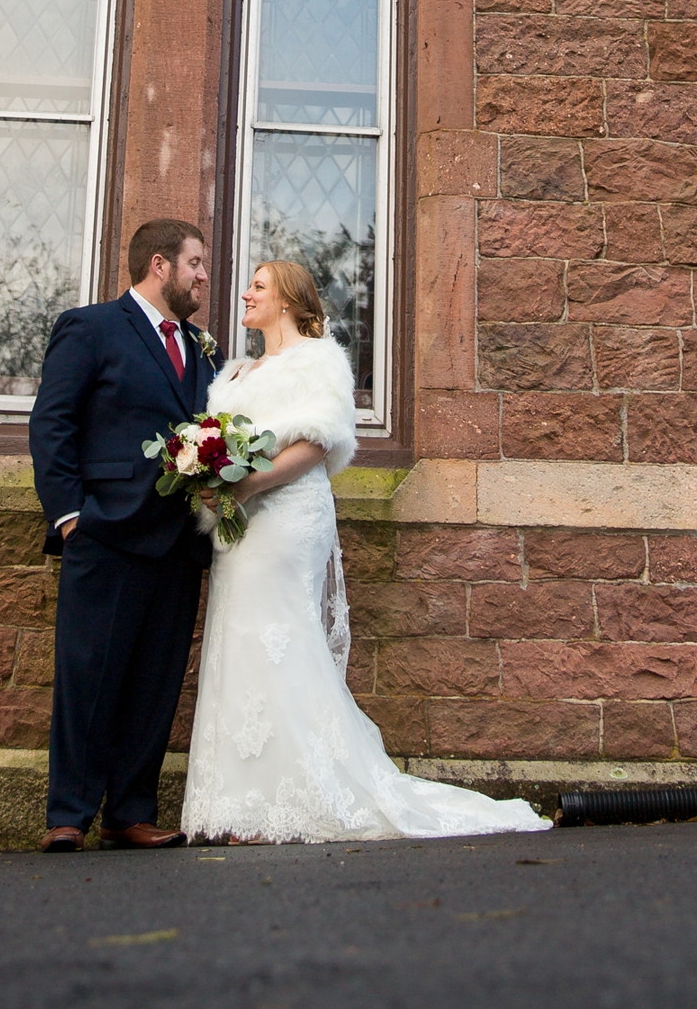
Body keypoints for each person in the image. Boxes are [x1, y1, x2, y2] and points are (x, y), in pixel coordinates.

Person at [183, 259, 551, 844]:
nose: (246, 294)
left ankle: (299, 794)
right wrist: (207, 476)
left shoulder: (315, 358)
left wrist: (249, 484)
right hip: (238, 526)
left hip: (285, 518)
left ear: (288, 300)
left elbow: (317, 440)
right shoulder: (232, 374)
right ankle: (242, 801)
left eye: (258, 285)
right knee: (239, 637)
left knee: (281, 636)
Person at [29, 219, 213, 852]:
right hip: (104, 533)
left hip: (178, 542)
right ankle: (69, 814)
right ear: (159, 265)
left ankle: (130, 812)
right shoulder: (90, 327)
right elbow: (52, 423)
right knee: (89, 674)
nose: (202, 276)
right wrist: (69, 516)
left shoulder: (201, 347)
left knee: (155, 683)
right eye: (195, 263)